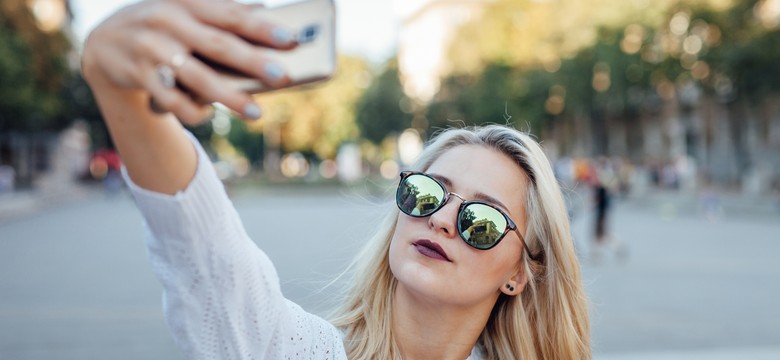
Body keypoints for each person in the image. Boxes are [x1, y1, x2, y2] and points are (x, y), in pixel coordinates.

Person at [81, 0, 591, 359]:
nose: (439, 221)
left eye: (480, 220)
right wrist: (121, 88)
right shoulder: (292, 350)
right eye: (426, 193)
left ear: (520, 273)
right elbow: (204, 252)